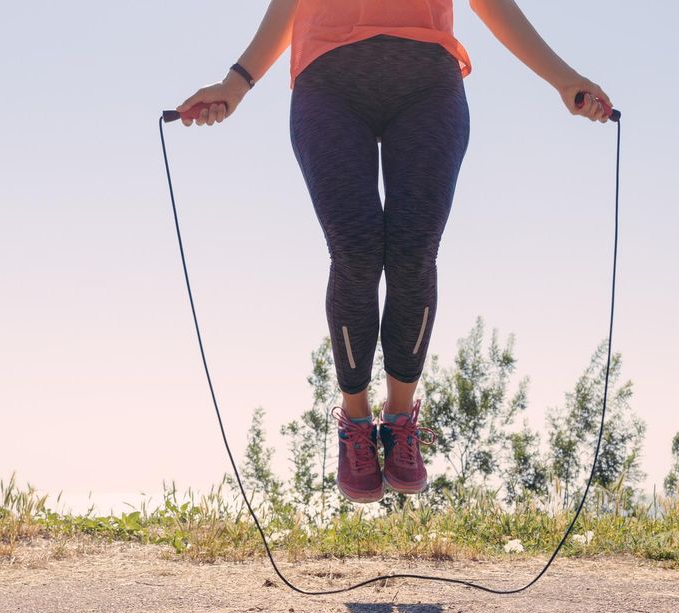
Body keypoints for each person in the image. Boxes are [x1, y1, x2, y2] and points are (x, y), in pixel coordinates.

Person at [176, 0, 613, 504]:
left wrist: (563, 78)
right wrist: (236, 84)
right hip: (328, 81)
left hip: (427, 82)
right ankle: (356, 422)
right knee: (356, 253)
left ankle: (399, 420)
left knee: (414, 252)